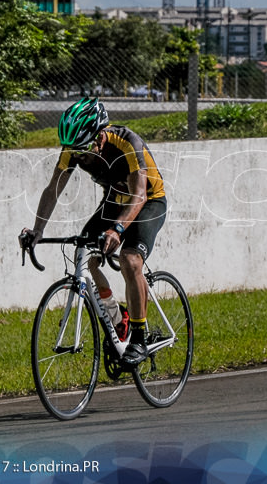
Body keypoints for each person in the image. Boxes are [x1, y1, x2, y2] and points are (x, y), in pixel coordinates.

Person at [23, 97, 167, 366]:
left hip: (149, 201)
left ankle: (138, 337)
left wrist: (118, 229)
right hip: (114, 202)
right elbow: (54, 188)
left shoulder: (127, 143)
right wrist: (37, 229)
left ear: (100, 135)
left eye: (84, 148)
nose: (79, 155)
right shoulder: (73, 149)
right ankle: (118, 320)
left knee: (130, 260)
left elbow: (138, 195)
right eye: (73, 150)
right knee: (88, 258)